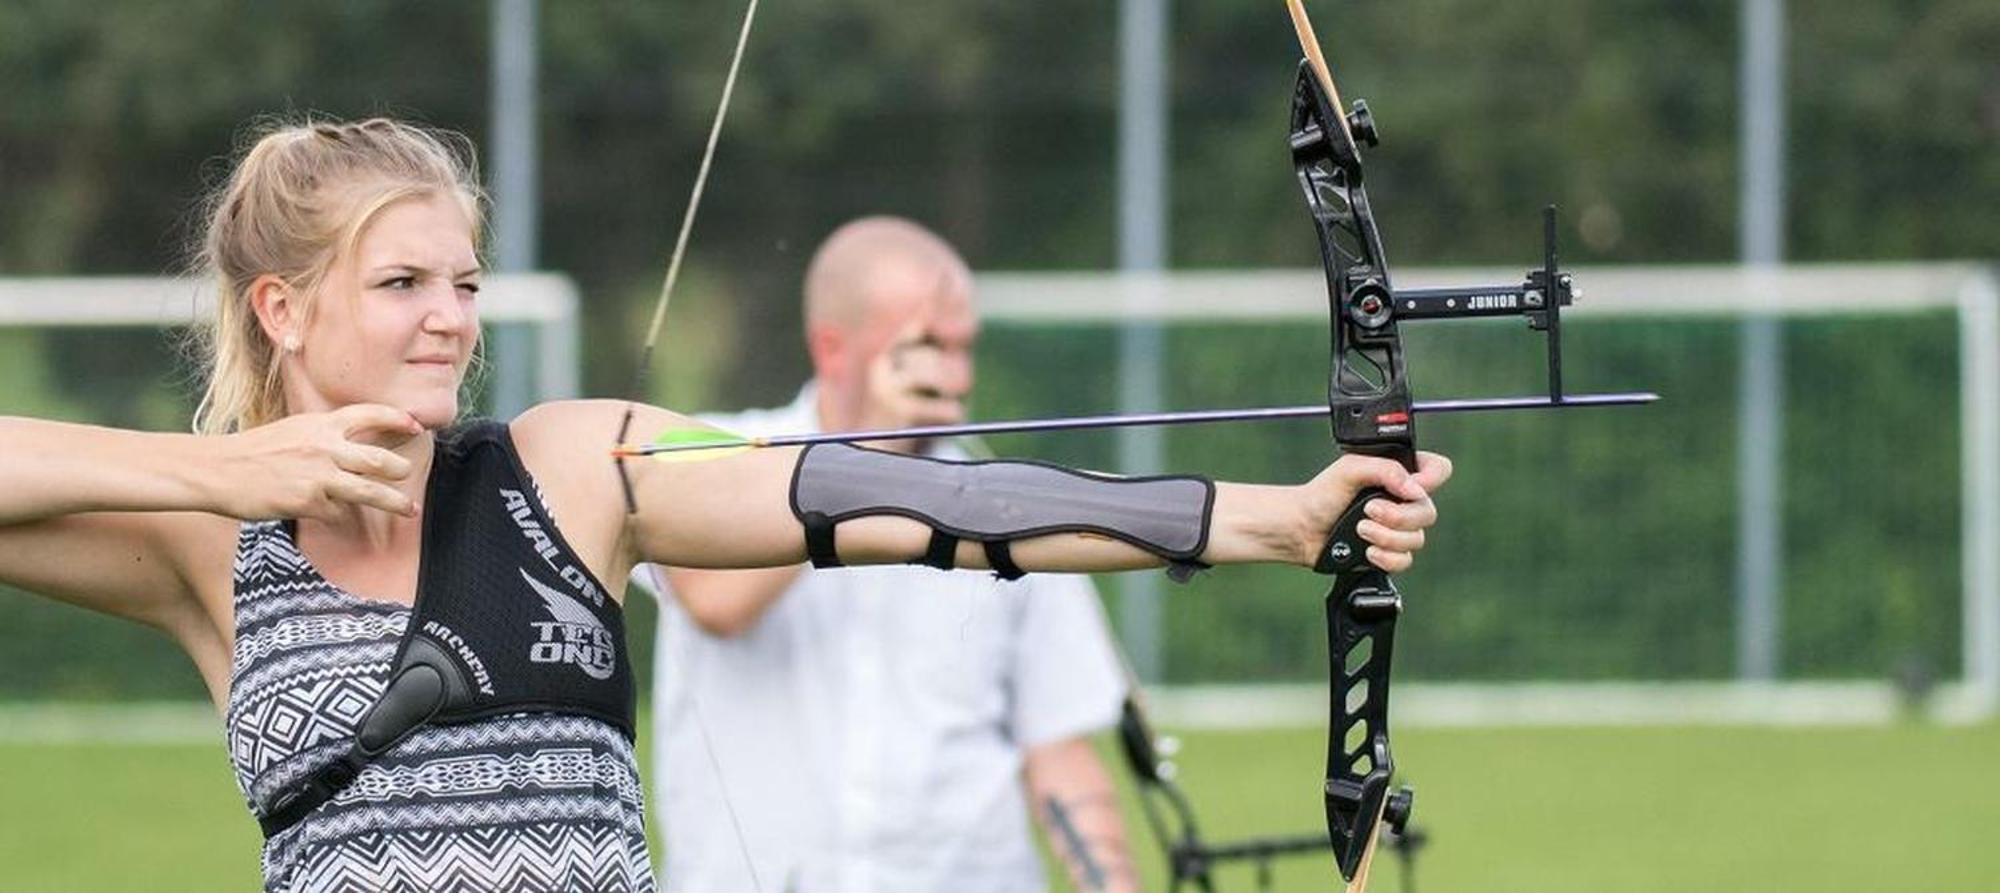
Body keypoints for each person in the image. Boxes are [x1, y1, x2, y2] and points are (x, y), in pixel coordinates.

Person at [0, 117, 1451, 893]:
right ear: (285, 308)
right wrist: (227, 473)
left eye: (463, 283)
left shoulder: (568, 467)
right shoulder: (207, 547)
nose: (449, 318)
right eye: (401, 285)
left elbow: (901, 502)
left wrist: (1267, 520)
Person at [643, 217, 1139, 892]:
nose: (954, 375)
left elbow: (1057, 750)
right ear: (833, 349)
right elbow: (715, 603)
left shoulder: (1009, 498)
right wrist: (866, 454)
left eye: (965, 348)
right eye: (926, 345)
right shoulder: (726, 450)